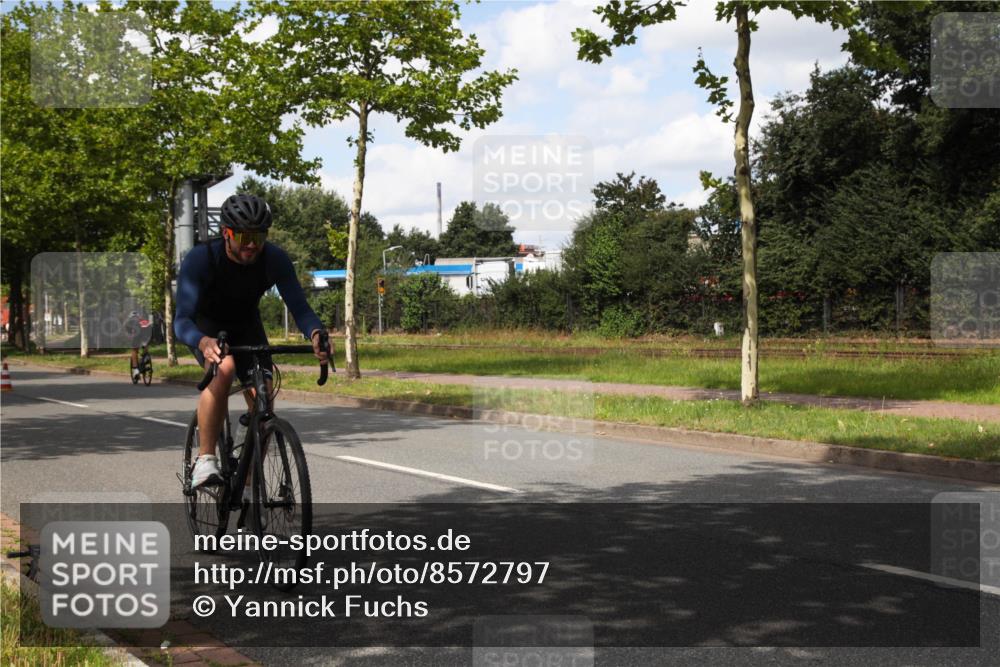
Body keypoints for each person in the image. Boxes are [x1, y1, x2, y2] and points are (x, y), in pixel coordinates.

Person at [174, 193, 329, 488]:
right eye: (243, 236)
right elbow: (181, 320)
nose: (251, 245)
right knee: (225, 369)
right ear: (226, 233)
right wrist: (203, 341)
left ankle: (246, 485)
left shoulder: (275, 259)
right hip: (206, 327)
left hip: (246, 326)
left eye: (258, 237)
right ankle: (206, 460)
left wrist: (316, 333)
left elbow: (301, 308)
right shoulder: (202, 259)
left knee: (264, 397)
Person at [124, 310, 151, 381]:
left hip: (136, 334)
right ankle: (146, 356)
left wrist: (130, 334)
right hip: (146, 332)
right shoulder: (142, 319)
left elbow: (127, 329)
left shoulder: (129, 320)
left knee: (134, 350)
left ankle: (136, 370)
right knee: (145, 344)